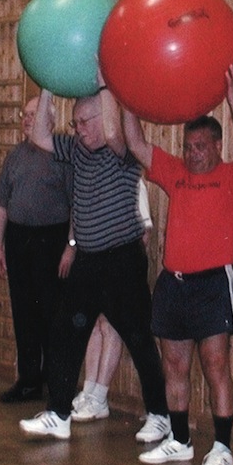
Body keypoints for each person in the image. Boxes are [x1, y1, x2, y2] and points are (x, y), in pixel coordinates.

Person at [122, 61, 233, 465]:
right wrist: (127, 96)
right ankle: (180, 441)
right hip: (173, 284)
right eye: (188, 146)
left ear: (217, 146)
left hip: (214, 283)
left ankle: (222, 449)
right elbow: (135, 142)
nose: (192, 153)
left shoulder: (232, 176)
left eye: (200, 146)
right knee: (174, 365)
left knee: (216, 365)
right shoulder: (175, 173)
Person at [19, 87, 170, 444]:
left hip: (122, 259)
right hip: (88, 260)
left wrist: (106, 84)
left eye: (85, 122)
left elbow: (115, 133)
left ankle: (160, 415)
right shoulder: (76, 151)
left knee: (138, 338)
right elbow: (40, 136)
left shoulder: (124, 152)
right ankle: (59, 414)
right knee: (65, 334)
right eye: (75, 123)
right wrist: (46, 89)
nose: (79, 129)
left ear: (105, 118)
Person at [0, 89, 72, 404]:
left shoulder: (62, 154)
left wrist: (70, 246)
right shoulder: (15, 156)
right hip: (18, 238)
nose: (27, 120)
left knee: (51, 313)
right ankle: (28, 381)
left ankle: (55, 383)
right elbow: (1, 204)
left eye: (33, 114)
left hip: (51, 240)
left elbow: (77, 204)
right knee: (23, 312)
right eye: (24, 115)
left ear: (50, 119)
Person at [70, 180, 155, 422]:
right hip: (96, 262)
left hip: (121, 265)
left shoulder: (134, 183)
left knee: (111, 326)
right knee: (95, 325)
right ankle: (89, 390)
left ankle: (99, 396)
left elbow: (144, 232)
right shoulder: (94, 181)